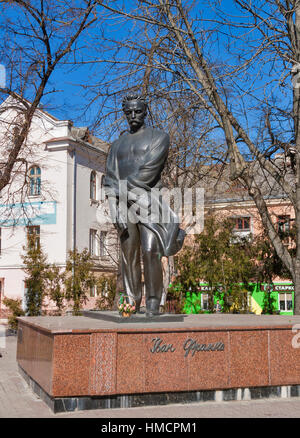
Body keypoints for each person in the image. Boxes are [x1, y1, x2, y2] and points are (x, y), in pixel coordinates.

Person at [104, 94, 185, 317]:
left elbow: (146, 175)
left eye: (137, 111)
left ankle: (152, 301)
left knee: (151, 251)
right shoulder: (116, 145)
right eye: (128, 112)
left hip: (149, 203)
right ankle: (131, 302)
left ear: (145, 111)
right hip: (122, 206)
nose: (132, 116)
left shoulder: (159, 138)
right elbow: (109, 178)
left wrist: (117, 189)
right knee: (128, 254)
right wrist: (114, 206)